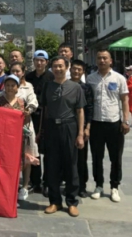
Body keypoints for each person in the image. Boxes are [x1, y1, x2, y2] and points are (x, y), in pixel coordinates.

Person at [41, 56, 85, 217]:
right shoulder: (48, 86)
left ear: (67, 67)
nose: (58, 69)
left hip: (69, 126)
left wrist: (80, 134)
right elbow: (44, 110)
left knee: (71, 164)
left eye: (61, 66)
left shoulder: (76, 87)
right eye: (55, 66)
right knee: (52, 164)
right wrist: (41, 131)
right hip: (51, 127)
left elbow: (80, 111)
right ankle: (55, 201)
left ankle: (72, 202)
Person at [87, 49, 130, 203]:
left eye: (105, 58)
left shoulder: (119, 78)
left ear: (110, 61)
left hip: (114, 123)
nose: (102, 60)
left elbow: (124, 100)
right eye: (99, 58)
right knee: (96, 157)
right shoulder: (90, 79)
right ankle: (98, 185)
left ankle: (114, 186)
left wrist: (125, 120)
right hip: (96, 123)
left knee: (116, 157)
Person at [6, 63, 39, 201]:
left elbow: (33, 102)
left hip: (24, 128)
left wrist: (28, 110)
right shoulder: (1, 96)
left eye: (18, 71)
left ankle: (24, 186)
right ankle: (10, 185)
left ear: (23, 72)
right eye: (13, 71)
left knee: (26, 158)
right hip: (7, 132)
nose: (15, 73)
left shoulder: (28, 87)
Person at [25, 49, 54, 195]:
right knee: (32, 149)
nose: (39, 63)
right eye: (37, 60)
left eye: (42, 61)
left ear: (46, 62)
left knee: (48, 151)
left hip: (47, 116)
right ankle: (35, 181)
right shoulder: (28, 77)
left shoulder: (51, 77)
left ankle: (48, 181)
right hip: (32, 117)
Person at [70, 60, 94, 198]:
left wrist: (87, 127)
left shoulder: (86, 88)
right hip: (67, 125)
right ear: (70, 70)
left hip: (81, 126)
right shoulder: (64, 85)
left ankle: (82, 186)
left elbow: (89, 108)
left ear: (83, 72)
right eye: (74, 69)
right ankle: (69, 184)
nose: (76, 71)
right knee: (67, 157)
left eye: (79, 69)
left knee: (81, 158)